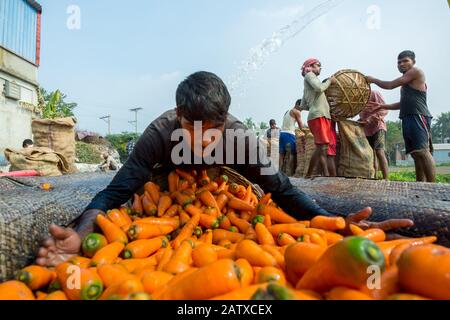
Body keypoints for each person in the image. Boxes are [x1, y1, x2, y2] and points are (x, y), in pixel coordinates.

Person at [35, 71, 413, 267]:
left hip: (217, 195)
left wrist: (335, 222)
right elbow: (114, 192)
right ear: (178, 116)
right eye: (190, 131)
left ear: (224, 121)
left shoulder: (238, 137)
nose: (200, 142)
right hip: (169, 192)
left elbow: (282, 189)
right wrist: (83, 232)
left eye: (210, 134)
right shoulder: (158, 133)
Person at [367, 50, 435, 182]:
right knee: (416, 154)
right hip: (407, 116)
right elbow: (402, 103)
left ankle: (432, 185)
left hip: (418, 116)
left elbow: (390, 85)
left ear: (413, 62)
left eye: (405, 61)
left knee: (423, 151)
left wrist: (373, 80)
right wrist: (383, 106)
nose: (401, 64)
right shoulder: (405, 84)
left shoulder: (416, 72)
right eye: (399, 62)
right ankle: (420, 184)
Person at [299, 58, 337, 178]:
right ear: (310, 66)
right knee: (321, 146)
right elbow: (319, 88)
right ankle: (309, 174)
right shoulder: (309, 75)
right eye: (318, 65)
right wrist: (330, 81)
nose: (320, 68)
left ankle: (320, 174)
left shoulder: (308, 83)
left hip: (320, 115)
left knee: (322, 147)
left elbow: (303, 105)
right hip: (318, 116)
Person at [359, 91, 389, 180]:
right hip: (367, 130)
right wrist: (360, 121)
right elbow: (362, 115)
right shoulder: (359, 99)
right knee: (371, 154)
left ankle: (386, 178)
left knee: (379, 152)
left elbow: (385, 110)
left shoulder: (375, 94)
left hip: (378, 127)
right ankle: (374, 177)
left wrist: (370, 119)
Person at [279, 100, 303, 174]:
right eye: (302, 107)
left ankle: (279, 172)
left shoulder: (287, 111)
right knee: (292, 153)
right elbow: (301, 126)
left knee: (282, 155)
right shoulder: (296, 112)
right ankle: (290, 172)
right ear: (298, 105)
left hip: (282, 134)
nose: (302, 109)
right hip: (289, 134)